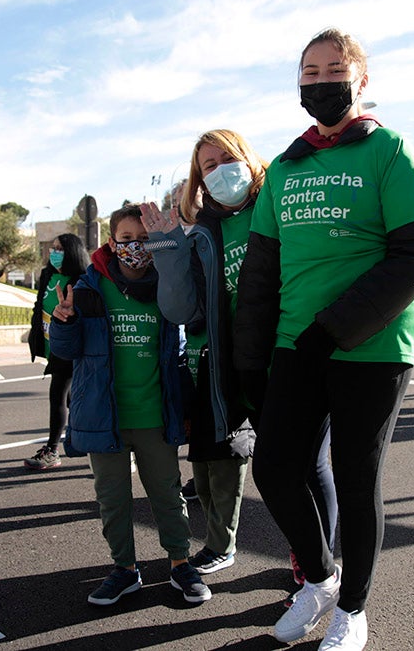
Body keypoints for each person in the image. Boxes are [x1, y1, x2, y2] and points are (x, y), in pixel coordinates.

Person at [234, 28, 414, 650]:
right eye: (310, 71)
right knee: (273, 468)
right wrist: (250, 364)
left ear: (360, 79)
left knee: (355, 476)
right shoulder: (285, 167)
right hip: (298, 346)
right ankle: (321, 577)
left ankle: (353, 609)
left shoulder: (389, 150)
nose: (321, 81)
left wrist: (336, 328)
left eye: (334, 69)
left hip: (371, 347)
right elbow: (260, 275)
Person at [144, 130, 338, 583]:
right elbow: (181, 309)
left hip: (298, 354)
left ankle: (318, 566)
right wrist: (169, 251)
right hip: (244, 370)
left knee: (310, 464)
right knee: (278, 470)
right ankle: (314, 561)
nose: (220, 171)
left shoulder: (281, 205)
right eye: (208, 167)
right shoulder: (203, 235)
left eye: (227, 158)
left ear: (250, 160)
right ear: (199, 182)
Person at [49, 204, 210, 606]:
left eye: (143, 240)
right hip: (106, 417)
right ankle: (124, 569)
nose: (135, 247)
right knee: (113, 498)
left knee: (168, 496)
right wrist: (63, 322)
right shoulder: (89, 287)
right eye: (126, 240)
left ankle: (180, 564)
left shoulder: (166, 287)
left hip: (156, 414)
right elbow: (68, 353)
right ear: (111, 242)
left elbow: (185, 332)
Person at [24, 234, 90, 470]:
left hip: (73, 349)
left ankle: (52, 450)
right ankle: (98, 443)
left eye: (60, 249)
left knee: (59, 396)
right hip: (54, 347)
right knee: (74, 400)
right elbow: (39, 305)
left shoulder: (83, 279)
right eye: (52, 248)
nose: (54, 252)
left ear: (72, 251)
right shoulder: (47, 275)